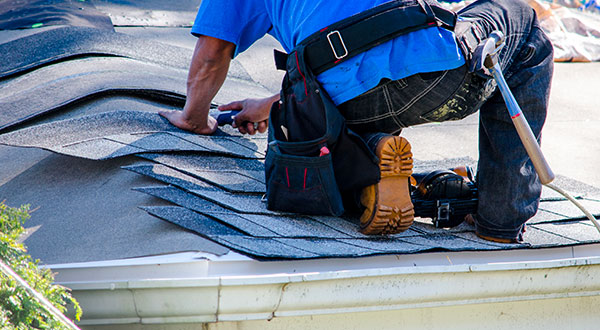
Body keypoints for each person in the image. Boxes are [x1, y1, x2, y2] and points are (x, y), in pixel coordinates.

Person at [159, 0, 554, 243]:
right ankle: (500, 219)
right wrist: (267, 104)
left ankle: (370, 166)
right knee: (521, 21)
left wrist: (194, 118)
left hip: (333, 107)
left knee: (344, 103)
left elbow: (212, 53)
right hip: (433, 77)